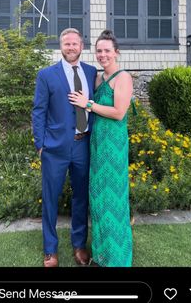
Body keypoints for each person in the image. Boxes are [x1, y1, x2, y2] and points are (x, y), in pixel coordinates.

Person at [32, 28, 97, 267]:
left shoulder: (91, 73)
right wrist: (40, 145)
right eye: (67, 44)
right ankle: (50, 249)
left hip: (83, 145)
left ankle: (79, 245)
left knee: (81, 197)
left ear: (82, 46)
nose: (71, 47)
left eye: (75, 44)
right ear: (61, 46)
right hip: (55, 149)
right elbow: (38, 111)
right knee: (50, 198)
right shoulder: (47, 75)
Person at [68, 29, 133, 267]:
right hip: (96, 144)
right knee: (98, 199)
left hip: (113, 146)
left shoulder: (122, 77)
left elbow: (118, 113)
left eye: (107, 50)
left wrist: (88, 104)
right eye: (99, 51)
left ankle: (116, 257)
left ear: (116, 52)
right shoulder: (97, 78)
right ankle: (101, 254)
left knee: (113, 200)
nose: (102, 55)